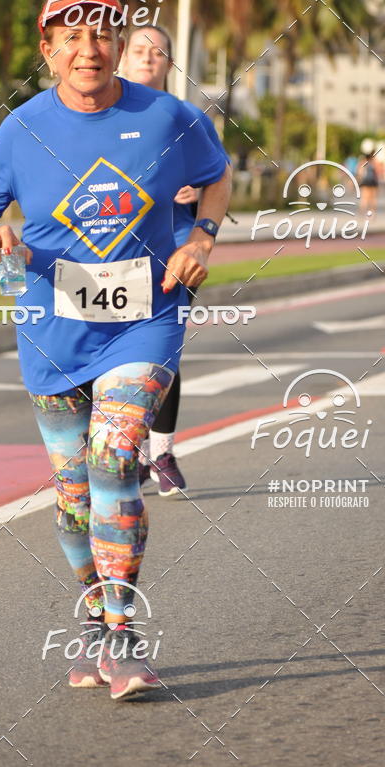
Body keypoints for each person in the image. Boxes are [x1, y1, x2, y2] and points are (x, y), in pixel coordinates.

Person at [0, 0, 231, 699]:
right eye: (72, 36)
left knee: (114, 461)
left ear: (118, 43)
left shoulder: (168, 115)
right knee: (73, 493)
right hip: (52, 327)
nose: (90, 48)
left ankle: (122, 632)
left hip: (146, 316)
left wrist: (202, 233)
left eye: (103, 33)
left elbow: (217, 178)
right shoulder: (21, 129)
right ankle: (91, 612)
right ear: (48, 51)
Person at [120, 25, 230, 495]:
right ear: (121, 57)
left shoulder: (185, 116)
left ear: (169, 63)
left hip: (175, 248)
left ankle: (160, 453)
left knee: (159, 350)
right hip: (110, 254)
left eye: (158, 52)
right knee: (110, 355)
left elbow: (218, 175)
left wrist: (197, 195)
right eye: (140, 50)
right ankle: (132, 453)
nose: (148, 58)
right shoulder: (93, 113)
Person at [357, 139, 381, 215]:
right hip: (373, 181)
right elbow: (378, 171)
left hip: (365, 181)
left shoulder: (363, 161)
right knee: (373, 198)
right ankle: (372, 213)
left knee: (364, 198)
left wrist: (359, 179)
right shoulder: (374, 161)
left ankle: (362, 212)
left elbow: (359, 171)